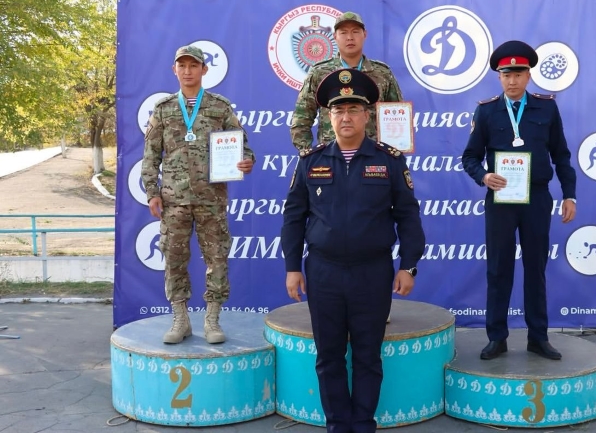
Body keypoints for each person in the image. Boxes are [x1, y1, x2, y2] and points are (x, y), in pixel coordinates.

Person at [282, 68, 425, 433]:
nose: (345, 117)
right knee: (328, 357)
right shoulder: (311, 161)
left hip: (372, 273)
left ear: (366, 115)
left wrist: (408, 265)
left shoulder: (389, 160)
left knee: (367, 356)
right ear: (328, 117)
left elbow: (408, 216)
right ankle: (337, 425)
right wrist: (292, 267)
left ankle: (362, 424)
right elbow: (294, 218)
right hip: (324, 273)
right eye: (338, 110)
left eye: (353, 110)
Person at [461, 40, 576, 361]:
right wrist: (484, 176)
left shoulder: (546, 108)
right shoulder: (486, 111)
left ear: (528, 75)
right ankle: (496, 338)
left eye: (518, 74)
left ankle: (538, 338)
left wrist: (569, 194)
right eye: (506, 75)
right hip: (500, 199)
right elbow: (469, 157)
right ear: (499, 77)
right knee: (498, 269)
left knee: (535, 269)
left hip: (536, 198)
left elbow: (561, 155)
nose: (512, 81)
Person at [141, 45, 255, 345]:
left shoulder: (220, 107)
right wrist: (152, 192)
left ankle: (212, 320)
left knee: (217, 258)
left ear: (204, 70)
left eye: (194, 65)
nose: (188, 71)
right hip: (173, 200)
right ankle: (180, 320)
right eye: (182, 65)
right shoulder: (163, 109)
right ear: (174, 70)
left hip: (211, 199)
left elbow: (243, 146)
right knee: (174, 259)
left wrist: (246, 160)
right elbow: (150, 155)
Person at [290, 11, 404, 152]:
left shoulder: (382, 73)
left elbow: (397, 118)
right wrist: (310, 155)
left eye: (355, 32)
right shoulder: (319, 72)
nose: (350, 37)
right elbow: (302, 118)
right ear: (335, 37)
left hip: (371, 156)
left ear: (364, 35)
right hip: (331, 156)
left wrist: (389, 156)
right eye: (343, 33)